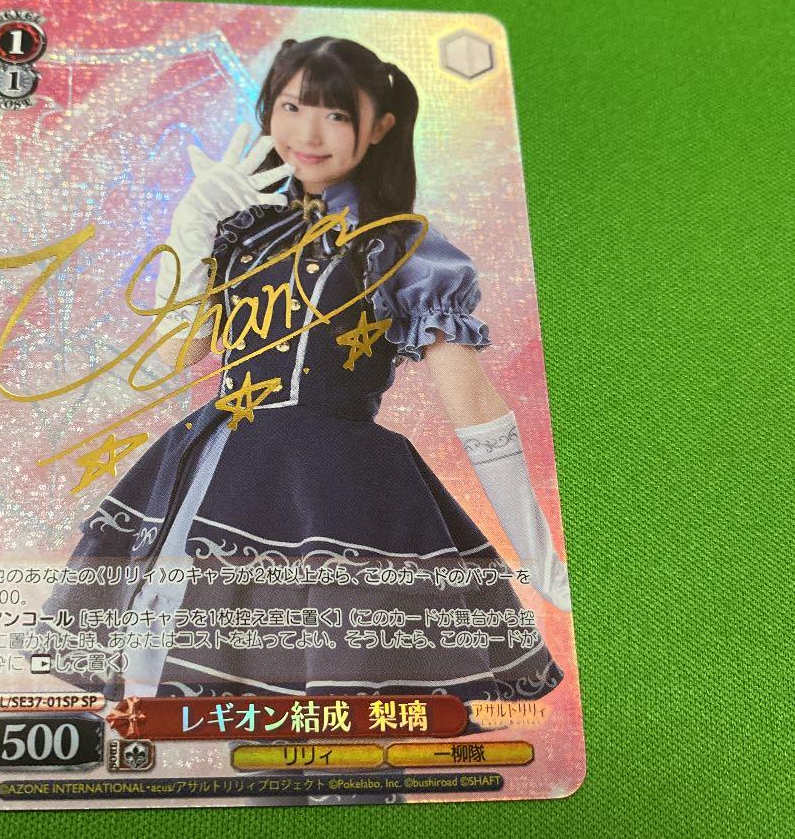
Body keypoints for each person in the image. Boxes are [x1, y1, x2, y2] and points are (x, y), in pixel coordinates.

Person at [40, 37, 569, 718]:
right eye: (291, 107)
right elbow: (176, 356)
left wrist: (539, 555)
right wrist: (190, 230)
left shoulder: (396, 244)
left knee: (340, 698)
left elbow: (471, 401)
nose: (308, 134)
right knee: (199, 697)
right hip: (211, 469)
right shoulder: (243, 233)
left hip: (336, 493)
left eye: (336, 115)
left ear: (380, 127)